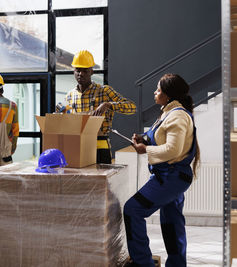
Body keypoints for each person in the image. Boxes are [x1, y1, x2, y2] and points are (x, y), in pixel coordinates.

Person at [123, 73, 200, 267]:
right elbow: (163, 139)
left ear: (168, 95)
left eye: (158, 89)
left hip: (170, 177)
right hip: (170, 176)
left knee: (133, 209)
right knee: (172, 223)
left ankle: (142, 263)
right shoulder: (168, 113)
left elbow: (172, 149)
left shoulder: (178, 116)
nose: (155, 92)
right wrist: (144, 139)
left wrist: (145, 149)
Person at [64, 50, 136, 164]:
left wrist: (108, 104)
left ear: (92, 71)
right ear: (74, 71)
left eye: (85, 70)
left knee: (101, 181)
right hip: (78, 146)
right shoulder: (70, 96)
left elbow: (131, 107)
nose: (80, 74)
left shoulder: (104, 91)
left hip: (100, 146)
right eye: (77, 70)